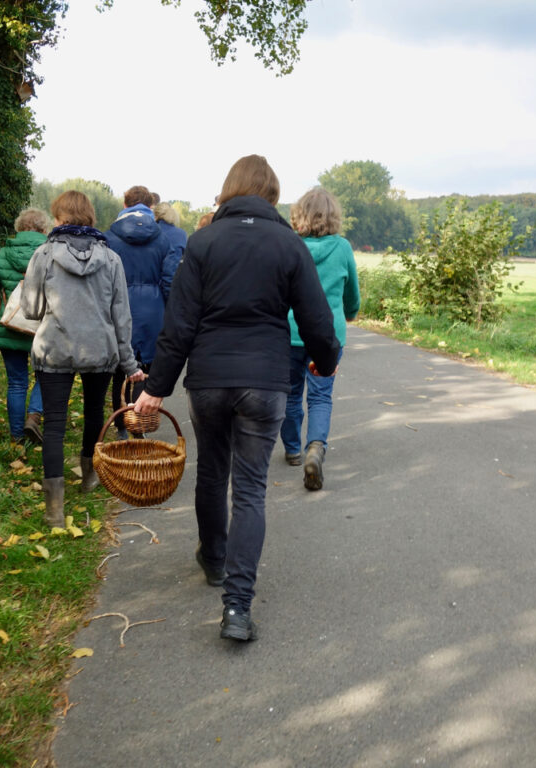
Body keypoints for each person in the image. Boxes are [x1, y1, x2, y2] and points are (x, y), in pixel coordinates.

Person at [132, 155, 340, 642]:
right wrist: (325, 361)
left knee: (211, 471)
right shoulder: (289, 244)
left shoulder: (203, 242)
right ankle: (237, 609)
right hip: (265, 383)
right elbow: (316, 319)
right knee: (248, 489)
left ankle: (215, 560)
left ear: (229, 190)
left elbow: (178, 325)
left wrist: (155, 388)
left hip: (207, 379)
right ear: (271, 195)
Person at [20, 190, 146, 527]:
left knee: (55, 425)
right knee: (94, 414)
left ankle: (55, 510)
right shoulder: (111, 259)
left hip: (54, 349)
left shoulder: (43, 255)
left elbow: (30, 310)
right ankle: (89, 476)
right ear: (89, 217)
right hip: (99, 350)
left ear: (59, 218)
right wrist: (130, 364)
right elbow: (122, 317)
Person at [281, 188, 360, 491]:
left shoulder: (291, 245)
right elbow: (351, 292)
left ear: (300, 216)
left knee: (288, 394)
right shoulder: (342, 248)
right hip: (327, 335)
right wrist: (350, 312)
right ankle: (316, 447)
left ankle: (291, 449)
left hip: (290, 332)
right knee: (320, 395)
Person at [103, 186, 180, 438]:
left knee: (120, 371)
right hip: (152, 309)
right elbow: (169, 280)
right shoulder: (162, 238)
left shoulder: (109, 237)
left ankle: (122, 429)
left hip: (118, 308)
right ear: (150, 206)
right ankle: (139, 425)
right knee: (143, 369)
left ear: (125, 204)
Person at [0, 208, 50, 444]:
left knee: (16, 383)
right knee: (45, 375)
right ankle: (33, 416)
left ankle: (16, 437)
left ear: (19, 228)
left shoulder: (3, 253)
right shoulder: (50, 252)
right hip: (43, 327)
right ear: (44, 229)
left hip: (10, 325)